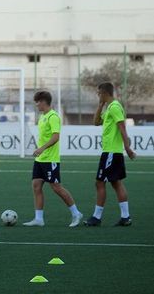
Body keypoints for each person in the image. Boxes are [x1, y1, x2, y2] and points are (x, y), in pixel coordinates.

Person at [22, 91, 83, 227]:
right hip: (40, 160)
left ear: (43, 101)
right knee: (36, 186)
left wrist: (41, 148)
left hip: (51, 159)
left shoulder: (53, 116)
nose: (36, 104)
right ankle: (39, 219)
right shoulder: (43, 117)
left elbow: (56, 136)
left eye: (37, 102)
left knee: (56, 188)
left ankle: (76, 213)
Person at [85, 82, 137, 227]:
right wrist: (100, 105)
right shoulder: (109, 107)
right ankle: (125, 217)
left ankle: (96, 217)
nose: (97, 95)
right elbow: (96, 122)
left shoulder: (114, 107)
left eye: (98, 93)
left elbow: (122, 126)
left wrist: (127, 148)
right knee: (116, 182)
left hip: (111, 152)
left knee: (100, 182)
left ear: (104, 93)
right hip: (111, 152)